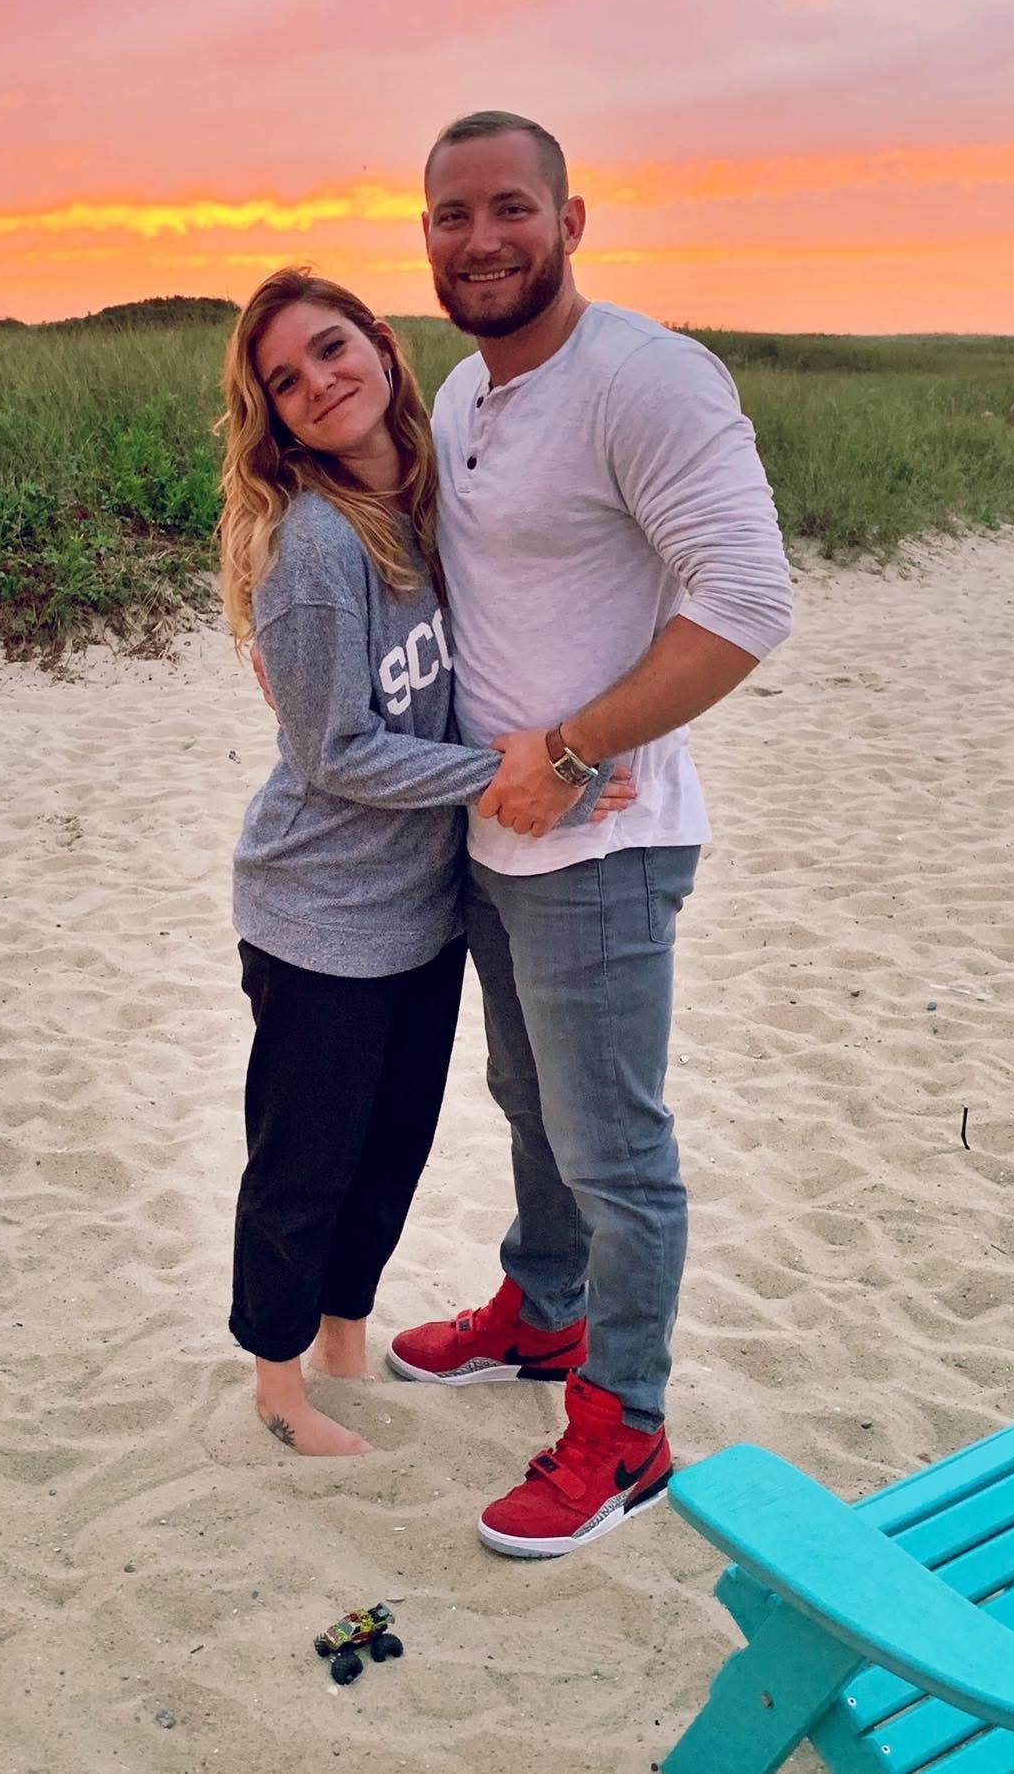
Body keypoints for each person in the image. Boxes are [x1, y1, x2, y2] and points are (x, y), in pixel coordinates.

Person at [385, 111, 793, 1558]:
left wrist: (574, 751)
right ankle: (543, 1310)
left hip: (604, 844)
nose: (481, 239)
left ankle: (626, 1424)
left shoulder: (644, 376)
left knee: (615, 1146)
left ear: (569, 219)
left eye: (510, 207)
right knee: (527, 1101)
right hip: (491, 837)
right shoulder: (463, 390)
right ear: (424, 235)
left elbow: (747, 599)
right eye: (451, 216)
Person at [220, 269, 636, 1458]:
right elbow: (334, 750)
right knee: (304, 1161)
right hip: (317, 908)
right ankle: (279, 1383)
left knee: (390, 1146)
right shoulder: (314, 543)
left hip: (423, 905)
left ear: (382, 345)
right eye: (284, 380)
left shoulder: (429, 501)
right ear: (271, 414)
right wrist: (518, 773)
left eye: (329, 348)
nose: (317, 383)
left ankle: (344, 1342)